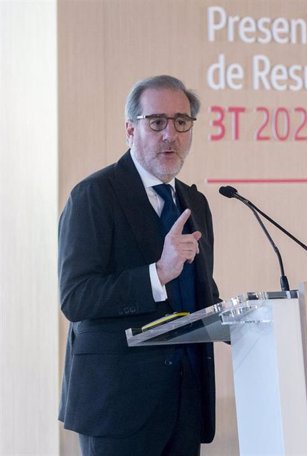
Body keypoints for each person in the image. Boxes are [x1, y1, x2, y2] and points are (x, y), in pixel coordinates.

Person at [58, 75, 221, 455]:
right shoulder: (94, 195)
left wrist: (245, 322)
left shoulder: (194, 203)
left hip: (184, 403)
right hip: (118, 406)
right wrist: (157, 274)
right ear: (131, 130)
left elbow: (200, 293)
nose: (171, 134)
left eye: (181, 122)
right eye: (157, 122)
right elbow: (76, 298)